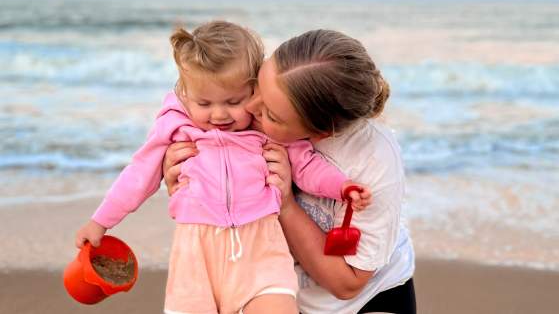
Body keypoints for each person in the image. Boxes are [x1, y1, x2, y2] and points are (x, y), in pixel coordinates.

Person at [74, 21, 371, 314]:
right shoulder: (176, 127)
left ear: (254, 90)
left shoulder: (267, 127)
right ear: (185, 93)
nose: (219, 114)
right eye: (204, 103)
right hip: (196, 253)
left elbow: (307, 166)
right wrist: (101, 222)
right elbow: (140, 174)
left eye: (234, 101)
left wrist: (342, 186)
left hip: (261, 248)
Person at [164, 29, 416, 314]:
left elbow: (348, 284)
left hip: (366, 300)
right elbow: (196, 102)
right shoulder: (254, 106)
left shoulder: (372, 160)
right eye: (257, 85)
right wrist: (177, 166)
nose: (248, 106)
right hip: (272, 290)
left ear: (315, 133)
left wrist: (285, 203)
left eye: (271, 114)